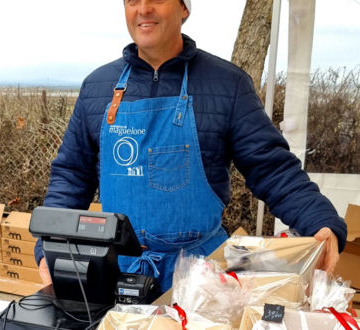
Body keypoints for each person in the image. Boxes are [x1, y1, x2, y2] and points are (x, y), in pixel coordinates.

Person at [35, 0, 347, 292]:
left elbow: (271, 168)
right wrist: (48, 248)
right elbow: (72, 175)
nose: (143, 9)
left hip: (201, 278)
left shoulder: (226, 84)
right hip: (117, 274)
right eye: (132, 0)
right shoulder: (97, 88)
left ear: (184, 8)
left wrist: (320, 221)